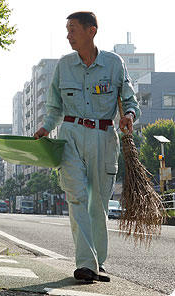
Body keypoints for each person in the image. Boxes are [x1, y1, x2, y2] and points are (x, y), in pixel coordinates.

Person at [33, 12, 139, 283]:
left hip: (104, 137)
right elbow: (54, 106)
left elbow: (130, 98)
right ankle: (85, 264)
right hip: (70, 136)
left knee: (97, 205)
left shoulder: (114, 64)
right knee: (77, 197)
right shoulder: (64, 65)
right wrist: (46, 127)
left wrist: (129, 115)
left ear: (91, 31)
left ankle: (97, 261)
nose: (68, 35)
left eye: (72, 29)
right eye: (67, 30)